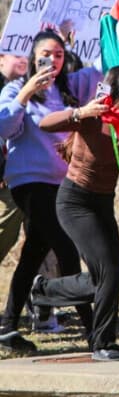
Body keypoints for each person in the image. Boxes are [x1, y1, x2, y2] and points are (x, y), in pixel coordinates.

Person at [31, 66, 119, 361]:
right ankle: (103, 343)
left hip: (104, 203)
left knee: (105, 278)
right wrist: (79, 113)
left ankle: (44, 290)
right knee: (110, 273)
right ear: (115, 92)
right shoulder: (94, 116)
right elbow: (45, 123)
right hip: (75, 201)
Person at [0, 30, 100, 353]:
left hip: (62, 184)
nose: (53, 61)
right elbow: (3, 127)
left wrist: (116, 32)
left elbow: (102, 69)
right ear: (32, 58)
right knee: (68, 250)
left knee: (34, 254)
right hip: (29, 182)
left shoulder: (69, 88)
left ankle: (7, 325)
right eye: (46, 54)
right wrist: (26, 93)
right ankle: (94, 329)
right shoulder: (16, 89)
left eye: (58, 55)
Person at [0, 55, 28, 265]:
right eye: (17, 55)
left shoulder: (30, 83)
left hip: (17, 174)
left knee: (9, 233)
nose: (23, 59)